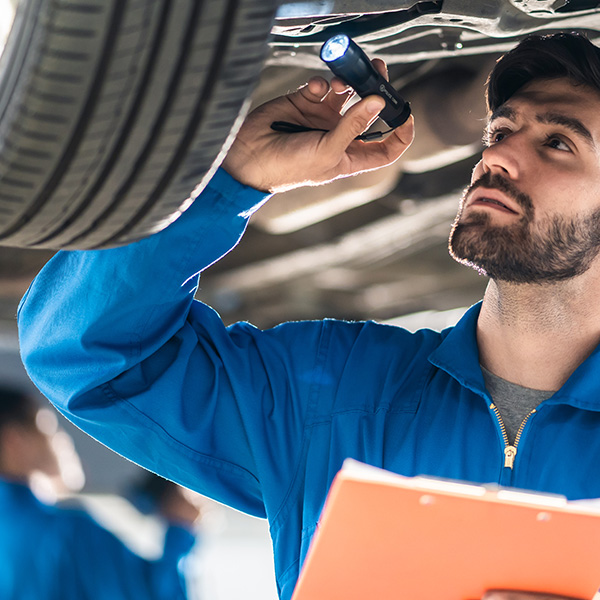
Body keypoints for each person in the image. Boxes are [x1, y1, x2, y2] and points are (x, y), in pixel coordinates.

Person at [17, 31, 600, 600]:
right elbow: (89, 357)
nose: (496, 155)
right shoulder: (332, 391)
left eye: (557, 143)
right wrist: (229, 179)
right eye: (501, 129)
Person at [0, 386, 202, 600]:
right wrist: (181, 530)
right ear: (15, 441)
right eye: (49, 428)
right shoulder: (67, 534)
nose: (63, 441)